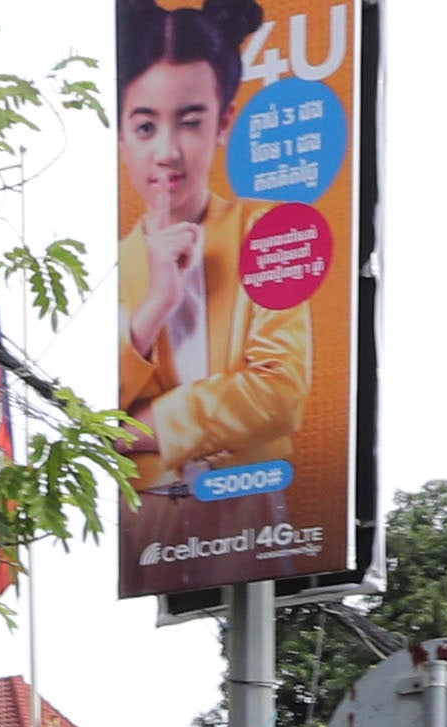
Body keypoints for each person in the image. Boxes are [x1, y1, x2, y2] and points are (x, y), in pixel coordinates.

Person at [117, 1, 291, 501]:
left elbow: (278, 395)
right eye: (145, 126)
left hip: (261, 527)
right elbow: (88, 414)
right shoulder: (112, 268)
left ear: (223, 123)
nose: (166, 152)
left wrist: (141, 429)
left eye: (190, 122)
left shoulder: (269, 235)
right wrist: (154, 308)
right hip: (149, 537)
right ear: (123, 134)